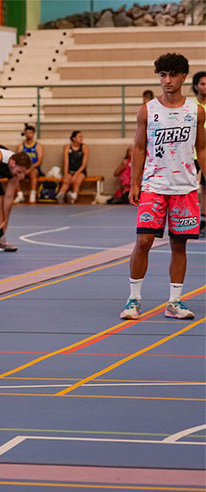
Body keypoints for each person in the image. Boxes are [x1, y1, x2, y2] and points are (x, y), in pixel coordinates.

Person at [120, 53, 204, 321]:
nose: (167, 80)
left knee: (179, 245)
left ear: (183, 77)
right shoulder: (147, 110)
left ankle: (174, 302)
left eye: (172, 75)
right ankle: (134, 299)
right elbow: (139, 147)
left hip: (185, 188)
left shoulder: (196, 111)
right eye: (162, 75)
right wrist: (135, 183)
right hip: (153, 186)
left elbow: (202, 148)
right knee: (144, 241)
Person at [0, 145, 31, 251]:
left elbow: (9, 197)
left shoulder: (16, 173)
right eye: (19, 172)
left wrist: (6, 219)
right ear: (12, 163)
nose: (20, 175)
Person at [57, 130, 89, 204]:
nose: (81, 138)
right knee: (66, 181)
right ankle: (60, 194)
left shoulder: (84, 147)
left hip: (80, 171)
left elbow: (84, 164)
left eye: (82, 137)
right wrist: (65, 173)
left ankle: (73, 196)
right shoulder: (67, 147)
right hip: (70, 170)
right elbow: (66, 161)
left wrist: (76, 174)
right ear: (74, 138)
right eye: (79, 136)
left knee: (77, 181)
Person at [192, 71, 205, 237]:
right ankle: (191, 221)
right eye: (202, 84)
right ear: (196, 86)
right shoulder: (191, 106)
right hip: (191, 155)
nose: (205, 87)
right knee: (190, 189)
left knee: (205, 189)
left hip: (205, 153)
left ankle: (204, 221)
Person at [17, 123, 44, 204]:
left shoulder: (38, 146)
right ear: (25, 134)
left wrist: (30, 168)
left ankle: (32, 194)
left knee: (33, 172)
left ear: (33, 133)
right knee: (15, 174)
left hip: (34, 168)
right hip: (23, 168)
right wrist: (23, 168)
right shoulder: (21, 146)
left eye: (30, 133)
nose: (29, 134)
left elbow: (39, 161)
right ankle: (19, 195)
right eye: (27, 133)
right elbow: (17, 159)